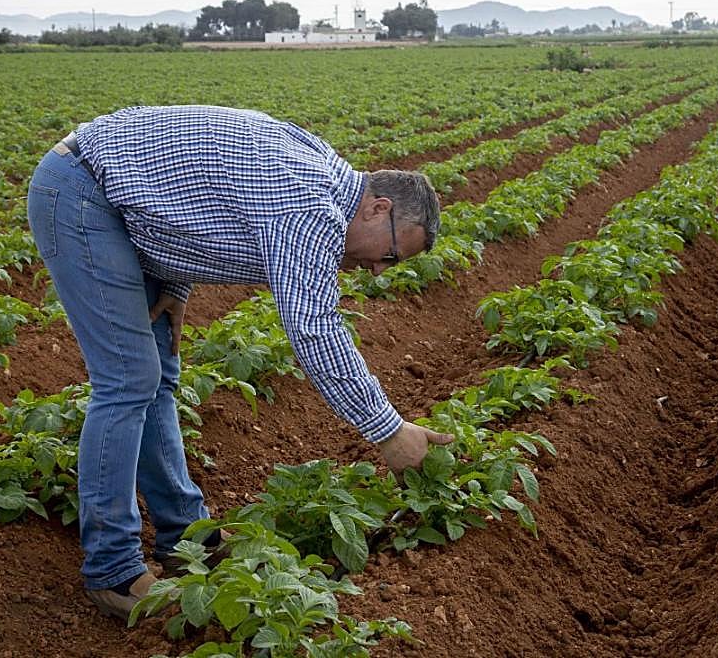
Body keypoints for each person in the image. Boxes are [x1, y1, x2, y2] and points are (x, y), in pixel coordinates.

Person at [25, 104, 453, 620]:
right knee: (127, 378)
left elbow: (203, 192)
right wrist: (387, 431)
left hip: (120, 201)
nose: (378, 272)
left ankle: (185, 535)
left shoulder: (326, 179)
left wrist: (175, 279)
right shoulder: (313, 207)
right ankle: (113, 570)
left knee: (158, 373)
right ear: (378, 208)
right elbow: (314, 330)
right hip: (83, 193)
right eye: (390, 257)